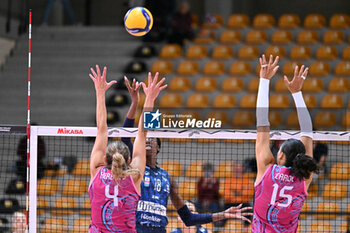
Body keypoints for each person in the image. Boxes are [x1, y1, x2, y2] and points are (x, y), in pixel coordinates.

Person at [121, 77, 252, 233]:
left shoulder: (167, 178)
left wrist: (223, 214)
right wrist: (135, 102)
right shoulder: (136, 167)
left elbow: (189, 219)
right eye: (146, 138)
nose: (148, 140)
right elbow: (125, 137)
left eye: (153, 139)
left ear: (158, 147)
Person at [88, 66, 166, 232]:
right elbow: (142, 133)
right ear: (129, 160)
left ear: (105, 159)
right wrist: (150, 98)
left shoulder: (96, 171)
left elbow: (102, 128)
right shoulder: (135, 177)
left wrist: (100, 92)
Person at [252, 55, 319, 232]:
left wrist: (264, 81)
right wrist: (297, 93)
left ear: (280, 155)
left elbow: (262, 123)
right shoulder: (304, 178)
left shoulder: (267, 169)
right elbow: (307, 133)